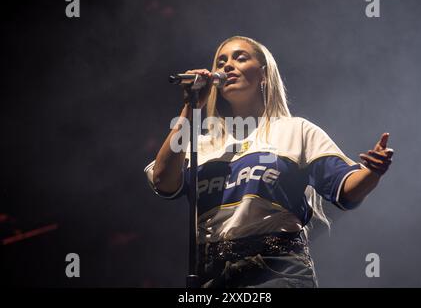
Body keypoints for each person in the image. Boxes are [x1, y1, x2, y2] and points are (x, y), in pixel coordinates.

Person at [144, 36, 394, 288]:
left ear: (263, 74)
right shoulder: (200, 145)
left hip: (277, 271)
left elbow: (346, 190)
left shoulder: (295, 130)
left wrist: (372, 172)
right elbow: (163, 181)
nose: (227, 66)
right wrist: (191, 107)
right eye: (221, 62)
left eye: (240, 58)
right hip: (213, 276)